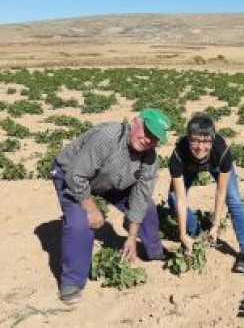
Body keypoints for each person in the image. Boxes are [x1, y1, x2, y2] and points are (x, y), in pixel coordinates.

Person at [50, 108, 171, 305]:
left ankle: (154, 251)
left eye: (154, 137)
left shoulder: (150, 158)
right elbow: (76, 176)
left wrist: (132, 236)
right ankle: (72, 282)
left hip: (110, 180)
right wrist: (92, 209)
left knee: (147, 208)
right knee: (81, 224)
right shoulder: (108, 137)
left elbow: (140, 196)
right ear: (135, 122)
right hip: (72, 174)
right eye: (146, 131)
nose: (148, 139)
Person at [167, 114, 244, 273]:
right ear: (188, 138)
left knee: (233, 199)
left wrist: (216, 224)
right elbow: (180, 198)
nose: (200, 147)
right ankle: (196, 233)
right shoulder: (178, 156)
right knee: (172, 198)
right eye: (194, 141)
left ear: (212, 141)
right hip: (188, 167)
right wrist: (182, 234)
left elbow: (221, 192)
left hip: (215, 164)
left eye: (206, 141)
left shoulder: (222, 152)